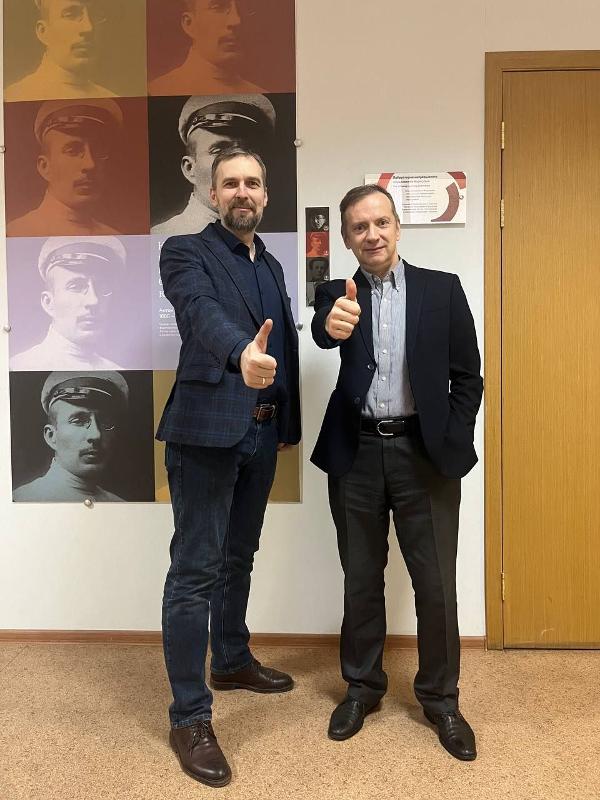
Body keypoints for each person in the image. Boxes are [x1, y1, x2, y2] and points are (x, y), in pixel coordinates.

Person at [311, 184, 483, 761]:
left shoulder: (442, 289)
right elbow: (323, 331)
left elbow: (469, 377)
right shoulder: (337, 293)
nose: (373, 235)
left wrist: (452, 436)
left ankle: (441, 699)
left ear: (397, 227)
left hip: (423, 455)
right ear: (346, 238)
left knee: (435, 585)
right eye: (359, 227)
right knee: (361, 578)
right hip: (355, 453)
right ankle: (362, 689)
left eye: (381, 222)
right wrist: (331, 324)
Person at [157, 146, 301, 787]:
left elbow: (285, 344)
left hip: (261, 434)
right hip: (205, 435)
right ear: (213, 194)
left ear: (265, 195)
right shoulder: (184, 252)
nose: (243, 192)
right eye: (231, 183)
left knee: (239, 557)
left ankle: (233, 658)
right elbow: (198, 314)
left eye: (253, 183)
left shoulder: (270, 262)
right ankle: (189, 716)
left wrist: (285, 424)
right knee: (195, 571)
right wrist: (241, 352)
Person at [151, 94, 275, 236]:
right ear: (190, 169)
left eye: (246, 152)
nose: (236, 166)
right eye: (219, 151)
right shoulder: (162, 236)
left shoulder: (265, 244)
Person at [7, 99, 122, 238]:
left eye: (97, 150)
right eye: (73, 151)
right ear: (45, 167)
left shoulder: (115, 238)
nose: (90, 164)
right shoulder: (15, 234)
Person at [10, 236, 125, 371]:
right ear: (48, 303)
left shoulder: (118, 371)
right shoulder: (18, 367)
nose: (94, 300)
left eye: (101, 287)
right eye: (76, 287)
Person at [13, 371, 127, 502]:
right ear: (51, 436)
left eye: (105, 422)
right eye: (78, 421)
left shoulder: (121, 505)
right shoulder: (22, 501)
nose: (96, 435)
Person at [5, 0, 115, 102]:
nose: (88, 28)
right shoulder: (14, 98)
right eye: (70, 15)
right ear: (43, 32)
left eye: (95, 15)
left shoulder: (113, 101)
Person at [149, 0, 264, 97]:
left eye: (243, 9)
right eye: (218, 7)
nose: (236, 20)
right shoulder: (156, 92)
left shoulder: (261, 96)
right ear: (189, 24)